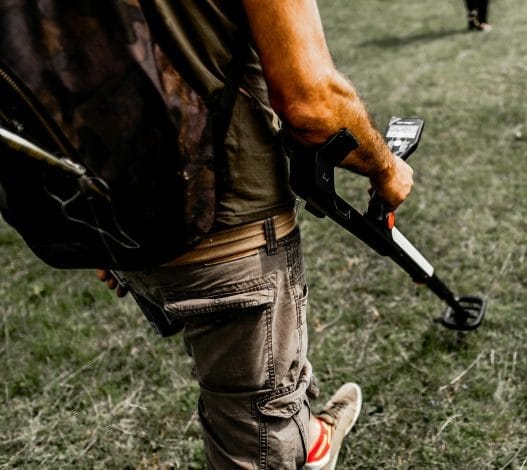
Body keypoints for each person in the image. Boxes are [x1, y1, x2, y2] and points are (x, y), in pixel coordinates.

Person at [96, 1, 414, 468]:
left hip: (109, 219)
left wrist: (86, 227)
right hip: (226, 224)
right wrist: (386, 169)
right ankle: (298, 446)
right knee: (253, 442)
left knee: (264, 379)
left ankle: (310, 438)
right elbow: (311, 104)